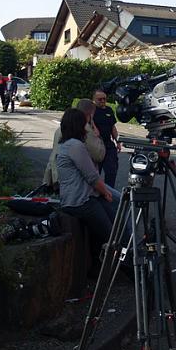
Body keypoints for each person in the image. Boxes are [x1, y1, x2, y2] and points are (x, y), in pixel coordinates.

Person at [56, 108, 119, 253]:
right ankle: (127, 267)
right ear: (79, 126)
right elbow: (92, 176)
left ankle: (97, 267)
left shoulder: (66, 144)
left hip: (76, 198)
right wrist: (105, 193)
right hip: (81, 201)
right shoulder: (75, 146)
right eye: (85, 124)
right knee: (112, 236)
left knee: (103, 230)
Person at [44, 100, 106, 191]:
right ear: (90, 114)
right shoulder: (86, 130)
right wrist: (98, 136)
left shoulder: (60, 129)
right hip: (77, 184)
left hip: (55, 176)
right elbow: (99, 155)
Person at [92, 90, 120, 189]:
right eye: (100, 99)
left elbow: (113, 127)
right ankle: (95, 192)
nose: (103, 101)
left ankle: (109, 191)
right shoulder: (92, 110)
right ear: (94, 99)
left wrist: (117, 141)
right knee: (95, 172)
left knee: (111, 170)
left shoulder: (109, 110)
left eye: (104, 99)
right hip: (96, 145)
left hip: (108, 145)